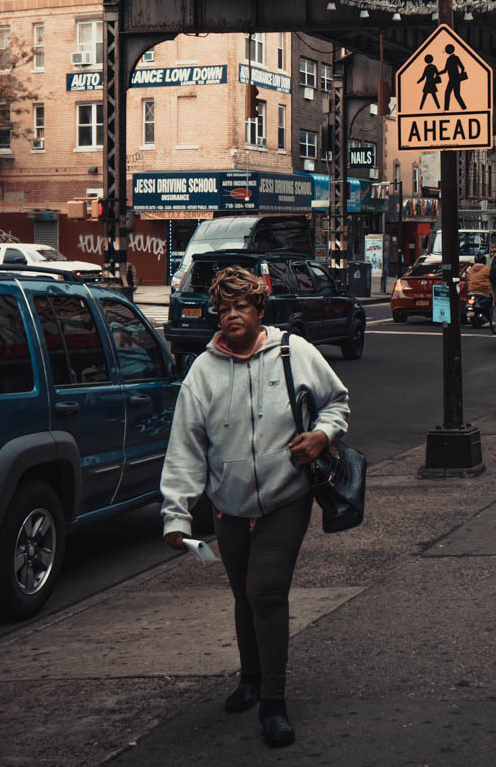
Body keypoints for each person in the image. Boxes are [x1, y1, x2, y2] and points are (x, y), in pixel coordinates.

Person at [160, 266, 351, 748]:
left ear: (259, 310)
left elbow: (337, 402)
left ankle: (273, 700)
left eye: (240, 307)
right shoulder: (201, 374)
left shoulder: (294, 352)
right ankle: (249, 676)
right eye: (222, 309)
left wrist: (321, 435)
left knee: (266, 592)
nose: (230, 317)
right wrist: (176, 515)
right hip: (229, 503)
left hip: (287, 495)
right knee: (243, 594)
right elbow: (185, 448)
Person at [440, 43, 468, 110]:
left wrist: (459, 76)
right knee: (455, 94)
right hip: (453, 79)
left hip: (454, 79)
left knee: (450, 93)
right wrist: (438, 73)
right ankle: (463, 108)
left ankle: (447, 109)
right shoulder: (449, 59)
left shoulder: (454, 58)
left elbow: (462, 67)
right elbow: (445, 70)